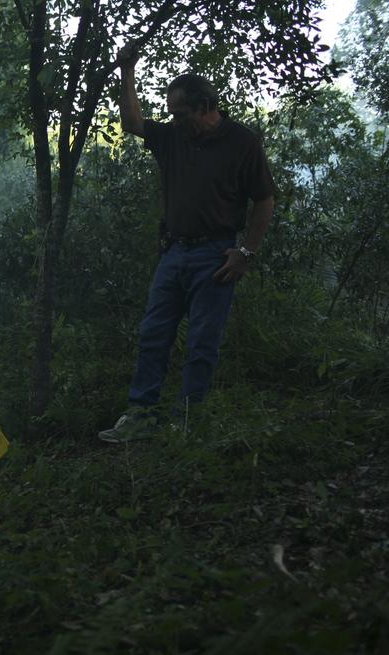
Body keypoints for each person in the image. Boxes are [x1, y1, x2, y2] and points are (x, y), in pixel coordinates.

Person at [99, 46, 276, 443]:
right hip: (173, 251)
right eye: (172, 113)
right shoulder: (174, 137)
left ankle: (187, 423)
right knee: (153, 334)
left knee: (202, 341)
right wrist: (127, 71)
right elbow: (132, 123)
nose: (174, 120)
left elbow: (264, 199)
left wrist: (245, 252)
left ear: (206, 106)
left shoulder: (242, 142)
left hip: (216, 254)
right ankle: (141, 416)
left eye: (181, 113)